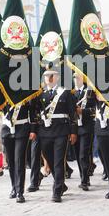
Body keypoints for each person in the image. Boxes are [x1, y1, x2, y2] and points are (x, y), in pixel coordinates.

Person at [35, 65, 77, 203]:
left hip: (61, 132)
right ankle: (61, 184)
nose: (49, 77)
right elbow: (35, 114)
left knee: (59, 161)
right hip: (44, 132)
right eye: (47, 75)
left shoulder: (65, 93)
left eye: (52, 75)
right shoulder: (40, 94)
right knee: (51, 160)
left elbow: (72, 114)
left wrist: (73, 132)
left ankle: (57, 191)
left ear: (57, 77)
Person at [2, 100, 37, 203]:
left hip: (22, 128)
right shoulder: (4, 92)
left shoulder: (25, 92)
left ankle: (19, 192)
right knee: (10, 161)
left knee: (19, 160)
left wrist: (33, 129)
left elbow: (32, 111)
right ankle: (14, 187)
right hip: (7, 129)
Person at [73, 73, 96, 191]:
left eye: (77, 77)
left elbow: (95, 109)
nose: (75, 80)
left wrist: (83, 111)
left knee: (83, 154)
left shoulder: (90, 91)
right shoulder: (72, 93)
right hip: (75, 128)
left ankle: (85, 180)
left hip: (87, 127)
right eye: (74, 78)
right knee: (78, 155)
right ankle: (83, 175)